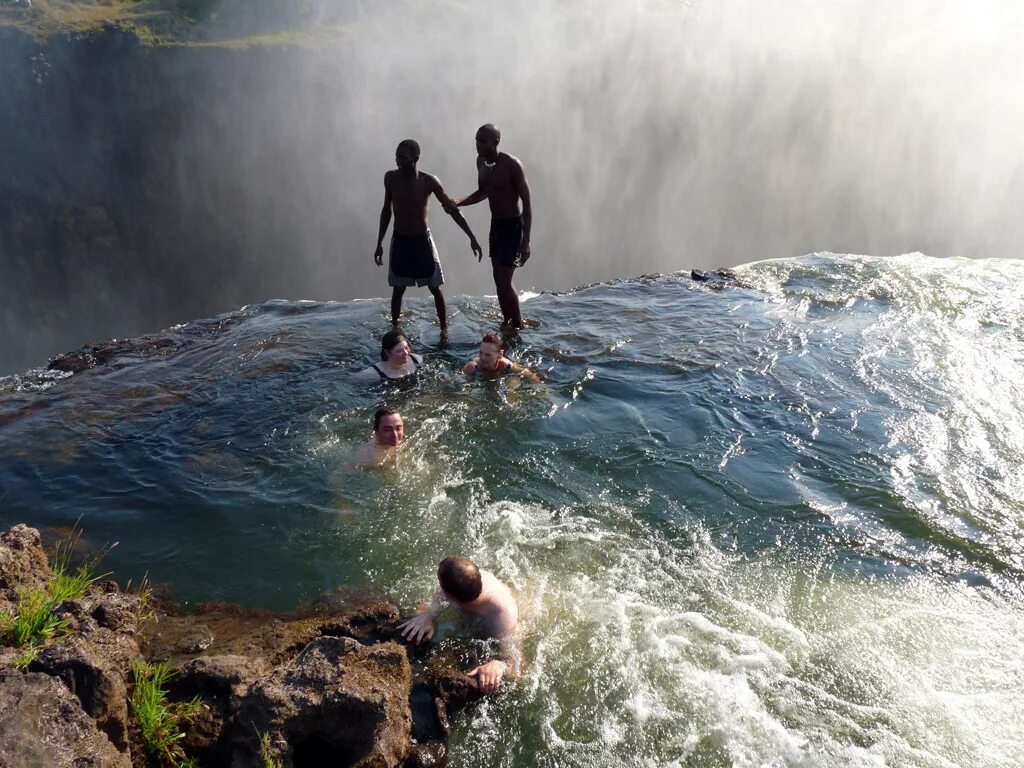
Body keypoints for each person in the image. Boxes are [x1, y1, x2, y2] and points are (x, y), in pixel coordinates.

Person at [374, 139, 482, 335]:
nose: (397, 160)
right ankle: (395, 330)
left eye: (402, 157)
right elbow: (386, 210)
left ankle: (444, 329)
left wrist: (471, 236)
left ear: (416, 158)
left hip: (422, 241)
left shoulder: (429, 182)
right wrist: (379, 243)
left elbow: (451, 209)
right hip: (400, 240)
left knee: (435, 287)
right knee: (398, 289)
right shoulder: (390, 178)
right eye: (396, 156)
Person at [398, 557, 520, 694]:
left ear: (446, 593)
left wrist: (499, 664)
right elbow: (430, 602)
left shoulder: (502, 615)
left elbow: (519, 669)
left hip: (494, 625)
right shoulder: (468, 580)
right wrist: (426, 615)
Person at [454, 124, 533, 329]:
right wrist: (458, 202)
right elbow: (483, 192)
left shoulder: (511, 164)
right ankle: (507, 321)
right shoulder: (481, 162)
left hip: (513, 227)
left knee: (505, 281)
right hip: (496, 226)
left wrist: (526, 241)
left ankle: (518, 323)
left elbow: (527, 202)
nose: (478, 144)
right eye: (476, 140)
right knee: (498, 280)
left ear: (495, 142)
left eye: (482, 141)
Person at [463, 332, 541, 382]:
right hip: (481, 377)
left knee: (513, 382)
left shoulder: (506, 365)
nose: (482, 357)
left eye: (487, 355)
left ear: (500, 354)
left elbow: (528, 373)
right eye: (481, 353)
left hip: (502, 376)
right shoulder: (472, 367)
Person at [356, 330, 422, 382]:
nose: (406, 353)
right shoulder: (373, 374)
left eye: (406, 348)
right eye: (399, 351)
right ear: (387, 352)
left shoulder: (417, 360)